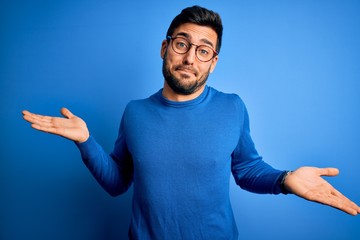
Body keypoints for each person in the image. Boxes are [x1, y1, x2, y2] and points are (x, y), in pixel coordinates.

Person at [22, 5, 359, 240]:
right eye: (182, 44)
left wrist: (285, 179)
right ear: (164, 48)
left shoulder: (232, 107)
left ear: (213, 63)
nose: (188, 58)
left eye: (203, 50)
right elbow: (118, 182)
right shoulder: (135, 112)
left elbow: (247, 171)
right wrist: (86, 142)